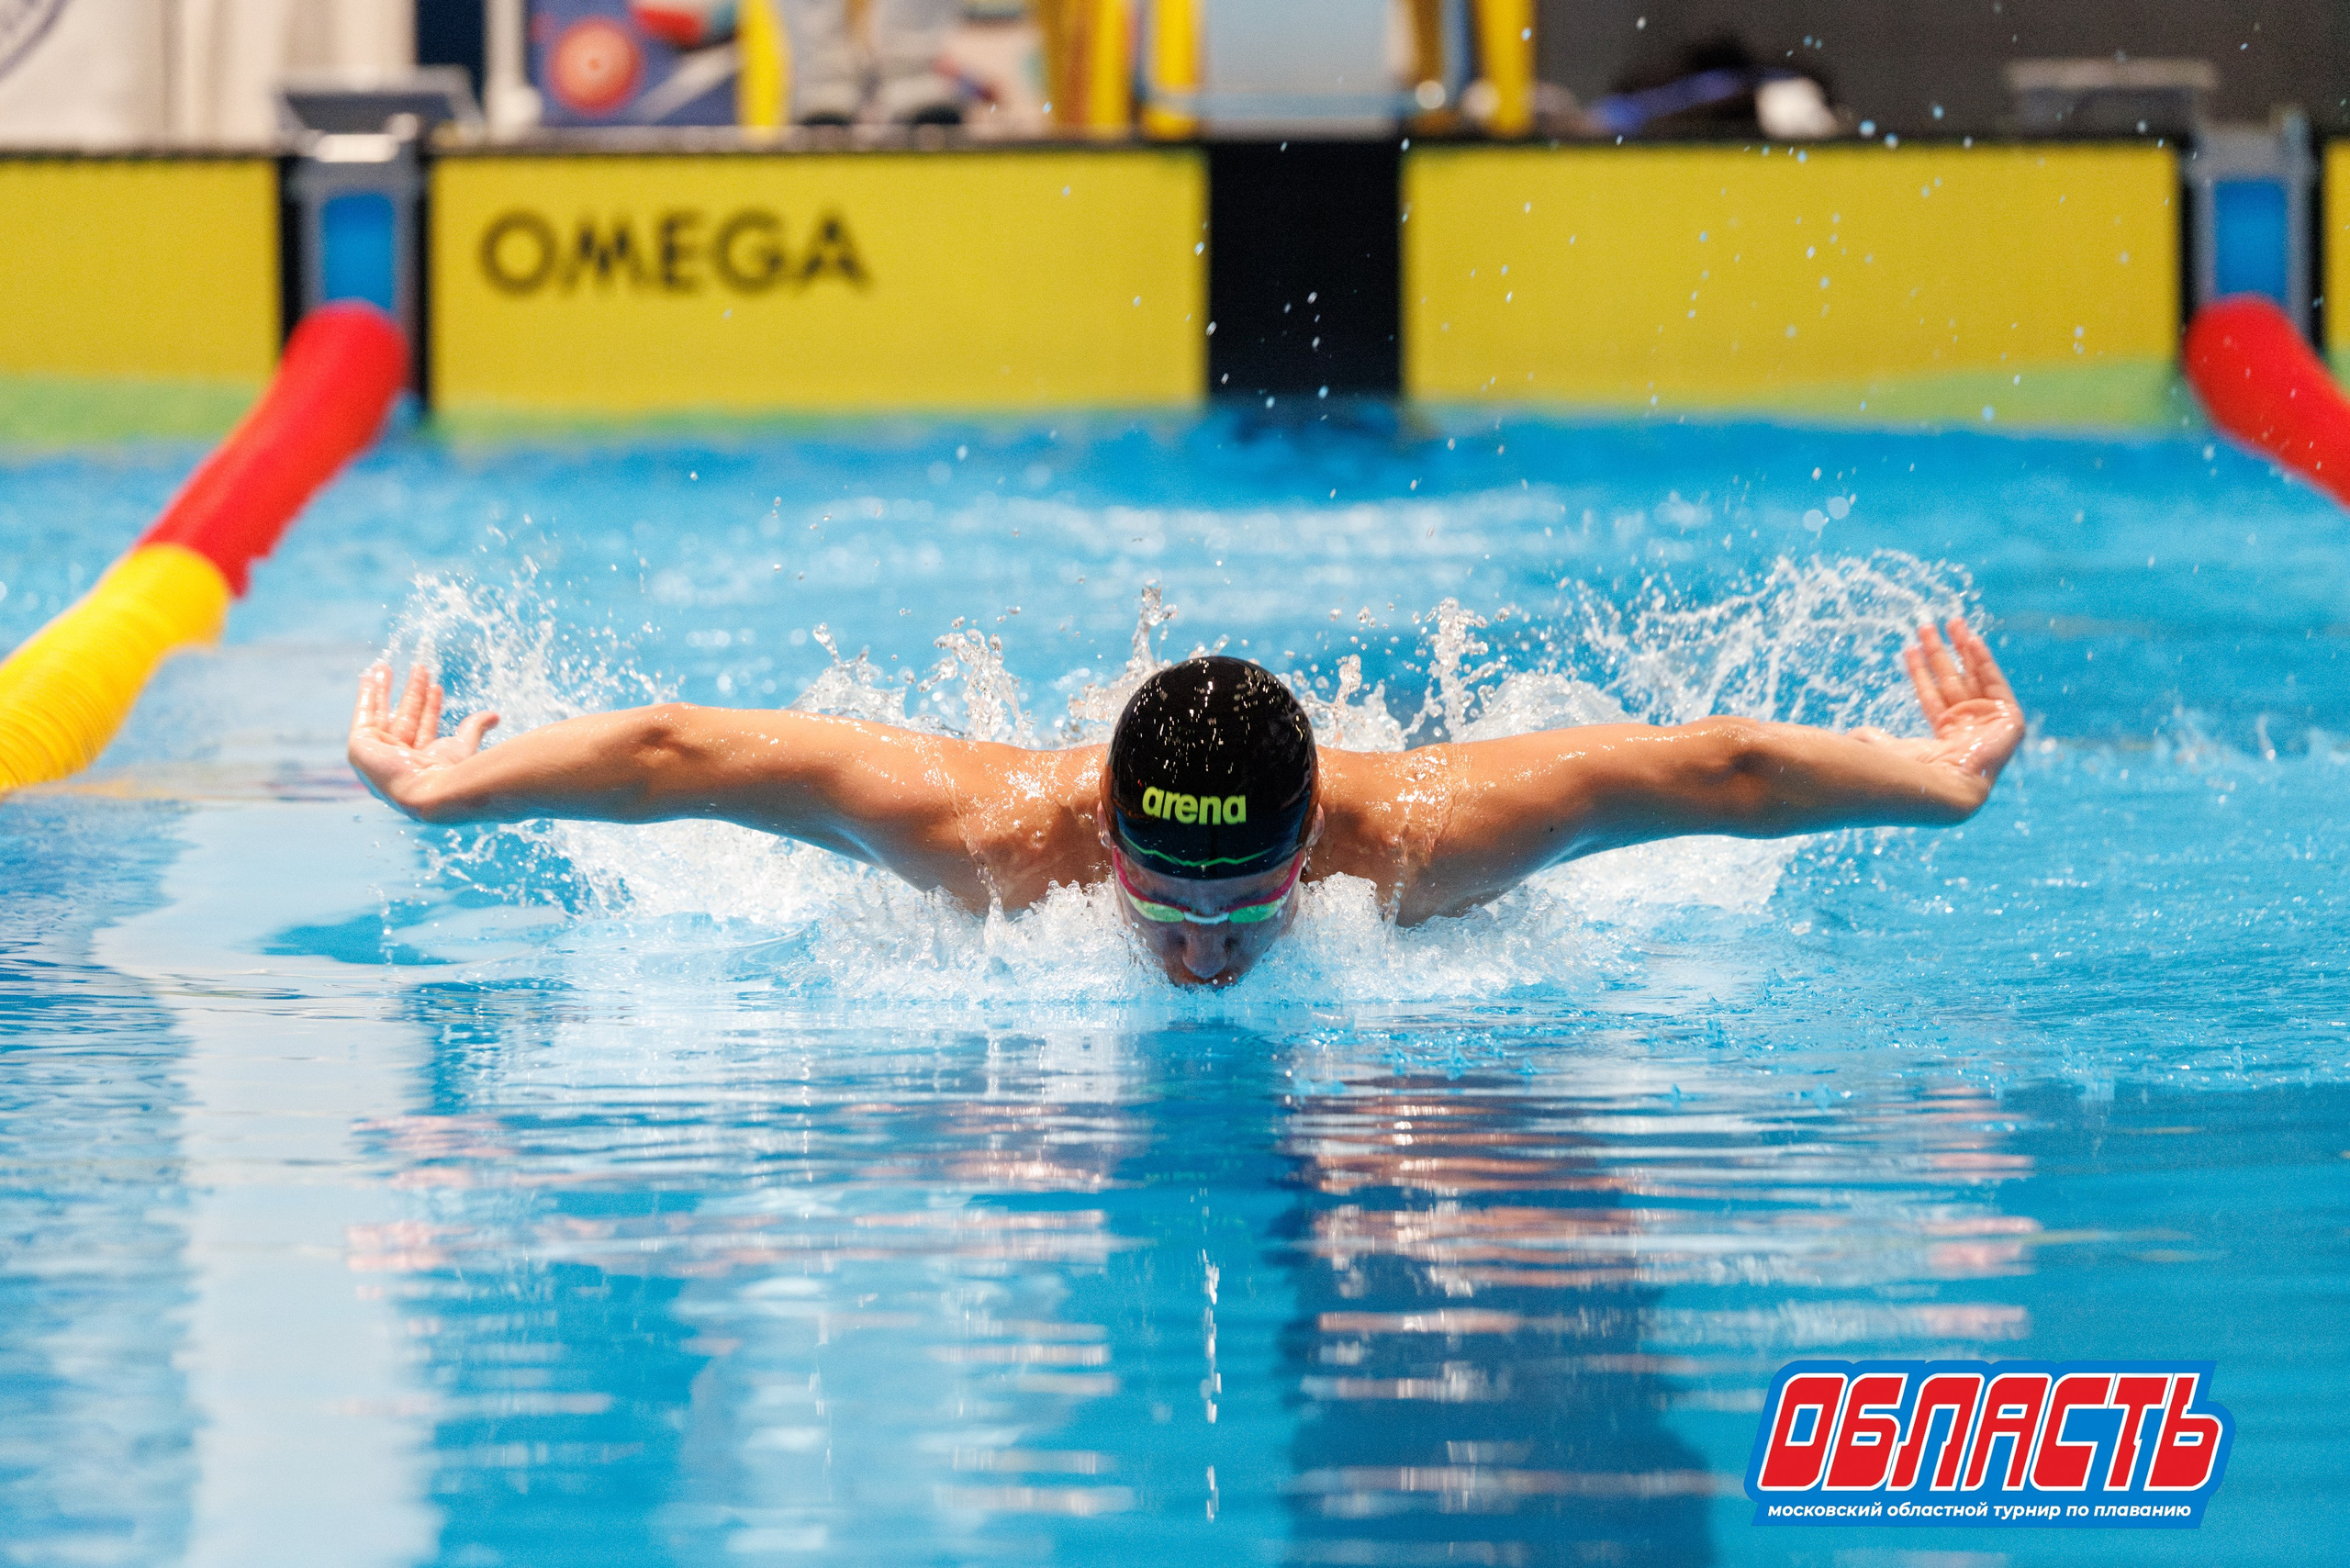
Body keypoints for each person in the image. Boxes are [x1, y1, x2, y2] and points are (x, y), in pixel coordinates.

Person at [349, 619, 2024, 988]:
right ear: (1107, 836)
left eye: (1245, 905)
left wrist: (1937, 783)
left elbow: (1716, 769)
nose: (1200, 948)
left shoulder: (1422, 837)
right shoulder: (992, 838)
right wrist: (443, 790)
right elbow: (676, 754)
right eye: (1163, 899)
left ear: (1313, 847)